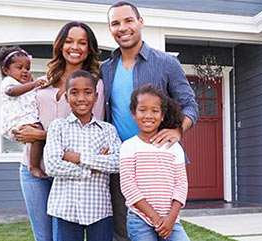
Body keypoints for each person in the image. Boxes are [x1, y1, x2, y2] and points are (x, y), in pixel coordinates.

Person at [101, 2, 198, 240]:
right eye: (115, 23)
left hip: (158, 163)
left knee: (166, 228)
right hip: (120, 162)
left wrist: (178, 130)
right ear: (110, 29)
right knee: (125, 232)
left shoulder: (166, 63)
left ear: (140, 22)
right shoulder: (105, 68)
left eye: (128, 20)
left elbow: (190, 105)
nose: (122, 28)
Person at [12, 21, 105, 241]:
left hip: (66, 172)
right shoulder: (45, 80)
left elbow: (90, 131)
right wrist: (19, 129)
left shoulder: (95, 84)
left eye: (82, 42)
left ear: (89, 48)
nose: (75, 47)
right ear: (60, 45)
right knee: (43, 237)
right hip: (31, 169)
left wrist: (41, 136)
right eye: (69, 41)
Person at [44, 70, 120, 241]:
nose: (81, 98)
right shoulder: (58, 127)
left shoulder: (108, 130)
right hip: (65, 209)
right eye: (74, 92)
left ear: (96, 95)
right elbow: (52, 165)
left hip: (99, 209)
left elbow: (116, 163)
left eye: (87, 92)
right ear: (66, 97)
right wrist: (92, 169)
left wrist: (78, 158)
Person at [120, 84, 189, 241]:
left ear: (162, 115)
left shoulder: (173, 147)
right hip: (140, 219)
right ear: (133, 114)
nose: (148, 115)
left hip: (170, 219)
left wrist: (171, 218)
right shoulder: (129, 146)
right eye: (142, 110)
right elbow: (128, 185)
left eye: (155, 111)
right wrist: (155, 218)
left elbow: (181, 184)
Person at [0, 46, 47, 178]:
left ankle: (34, 164)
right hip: (16, 120)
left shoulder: (27, 85)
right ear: (6, 70)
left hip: (27, 119)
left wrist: (33, 85)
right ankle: (33, 166)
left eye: (28, 69)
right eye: (19, 68)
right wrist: (33, 84)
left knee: (38, 134)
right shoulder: (9, 82)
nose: (24, 71)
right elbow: (11, 92)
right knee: (37, 136)